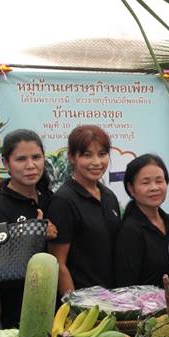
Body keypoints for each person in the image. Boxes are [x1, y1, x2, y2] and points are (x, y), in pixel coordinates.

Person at [0, 129, 58, 326]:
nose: (31, 165)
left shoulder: (50, 199)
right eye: (21, 159)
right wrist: (33, 235)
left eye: (36, 157)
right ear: (6, 163)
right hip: (20, 311)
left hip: (56, 305)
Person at [47, 125, 121, 296]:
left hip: (111, 300)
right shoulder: (63, 201)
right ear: (72, 157)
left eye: (102, 154)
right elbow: (58, 263)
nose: (96, 162)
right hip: (83, 305)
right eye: (87, 155)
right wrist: (74, 307)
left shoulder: (108, 196)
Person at [114, 154, 169, 287]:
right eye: (145, 182)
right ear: (131, 188)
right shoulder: (130, 230)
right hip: (147, 306)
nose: (154, 188)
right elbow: (126, 285)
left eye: (159, 181)